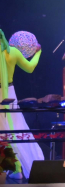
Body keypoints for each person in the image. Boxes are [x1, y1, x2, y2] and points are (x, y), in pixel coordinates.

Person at [0, 29, 43, 175]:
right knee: (16, 129)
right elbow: (30, 68)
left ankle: (9, 169)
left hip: (8, 95)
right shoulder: (13, 52)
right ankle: (17, 168)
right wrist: (38, 52)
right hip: (9, 94)